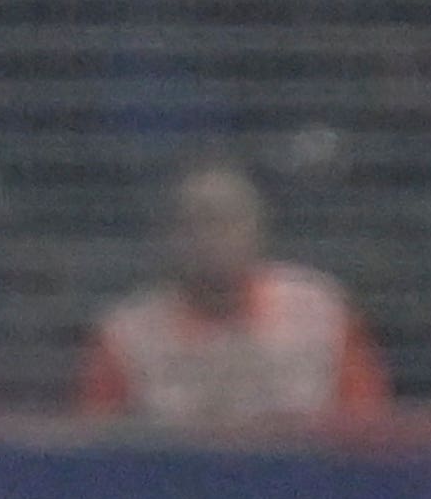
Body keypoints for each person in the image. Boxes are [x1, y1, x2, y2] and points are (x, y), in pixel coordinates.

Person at [76, 158, 391, 432]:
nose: (210, 237)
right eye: (194, 222)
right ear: (168, 235)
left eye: (226, 220)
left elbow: (367, 432)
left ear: (258, 227)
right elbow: (99, 453)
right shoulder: (127, 335)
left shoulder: (321, 313)